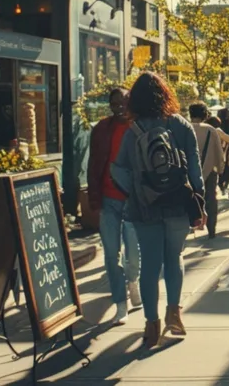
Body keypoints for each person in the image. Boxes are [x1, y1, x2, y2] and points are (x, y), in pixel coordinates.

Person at [110, 73, 206, 348]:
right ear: (166, 94)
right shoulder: (180, 125)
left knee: (150, 266)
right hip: (177, 204)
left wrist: (138, 190)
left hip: (144, 209)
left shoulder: (133, 130)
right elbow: (194, 168)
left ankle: (152, 326)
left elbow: (118, 169)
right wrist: (197, 201)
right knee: (174, 258)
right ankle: (174, 315)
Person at [89, 88, 142, 325]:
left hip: (132, 199)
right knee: (111, 254)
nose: (119, 106)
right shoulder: (101, 129)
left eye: (123, 102)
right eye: (114, 103)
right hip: (108, 199)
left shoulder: (139, 128)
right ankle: (120, 303)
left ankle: (133, 281)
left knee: (133, 253)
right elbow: (93, 164)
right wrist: (94, 198)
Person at [189, 103, 229, 239]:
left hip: (189, 171)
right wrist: (221, 169)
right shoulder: (211, 130)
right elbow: (218, 152)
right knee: (210, 199)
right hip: (209, 170)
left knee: (189, 197)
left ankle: (191, 225)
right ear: (205, 115)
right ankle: (211, 229)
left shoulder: (185, 128)